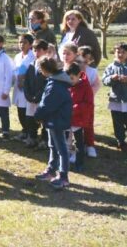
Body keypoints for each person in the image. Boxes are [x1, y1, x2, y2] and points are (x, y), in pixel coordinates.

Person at [34, 57, 74, 190]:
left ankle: (63, 177)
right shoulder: (55, 80)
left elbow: (47, 104)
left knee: (61, 148)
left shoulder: (55, 84)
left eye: (40, 69)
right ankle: (51, 170)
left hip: (57, 119)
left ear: (44, 69)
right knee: (53, 145)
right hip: (53, 119)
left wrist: (38, 115)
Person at [102, 42, 127, 152]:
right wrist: (111, 78)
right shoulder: (111, 66)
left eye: (123, 52)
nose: (120, 54)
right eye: (117, 52)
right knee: (118, 123)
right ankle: (121, 142)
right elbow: (104, 80)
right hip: (116, 100)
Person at [68, 59, 93, 172]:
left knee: (78, 143)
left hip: (78, 119)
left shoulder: (85, 87)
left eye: (72, 78)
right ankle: (65, 160)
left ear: (79, 75)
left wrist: (74, 109)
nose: (70, 81)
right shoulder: (67, 86)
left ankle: (79, 163)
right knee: (65, 141)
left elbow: (88, 104)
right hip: (67, 119)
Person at [24, 39, 49, 148]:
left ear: (45, 51)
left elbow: (47, 83)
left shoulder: (48, 65)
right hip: (31, 98)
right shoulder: (31, 65)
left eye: (39, 50)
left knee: (44, 119)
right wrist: (28, 95)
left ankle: (44, 139)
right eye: (34, 50)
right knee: (30, 118)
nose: (36, 53)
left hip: (42, 98)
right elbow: (27, 82)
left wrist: (39, 96)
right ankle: (32, 137)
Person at [11, 34, 35, 141]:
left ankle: (30, 132)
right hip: (18, 87)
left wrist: (23, 79)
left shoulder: (33, 56)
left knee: (27, 111)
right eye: (20, 42)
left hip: (27, 88)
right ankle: (24, 131)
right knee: (20, 110)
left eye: (24, 42)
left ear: (30, 45)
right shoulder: (17, 56)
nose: (21, 44)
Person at [78, 45, 101, 158]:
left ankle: (90, 145)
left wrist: (89, 94)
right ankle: (77, 145)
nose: (85, 61)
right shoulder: (73, 69)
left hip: (88, 103)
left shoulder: (92, 71)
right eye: (82, 58)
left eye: (88, 58)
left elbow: (97, 85)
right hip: (74, 102)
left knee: (88, 123)